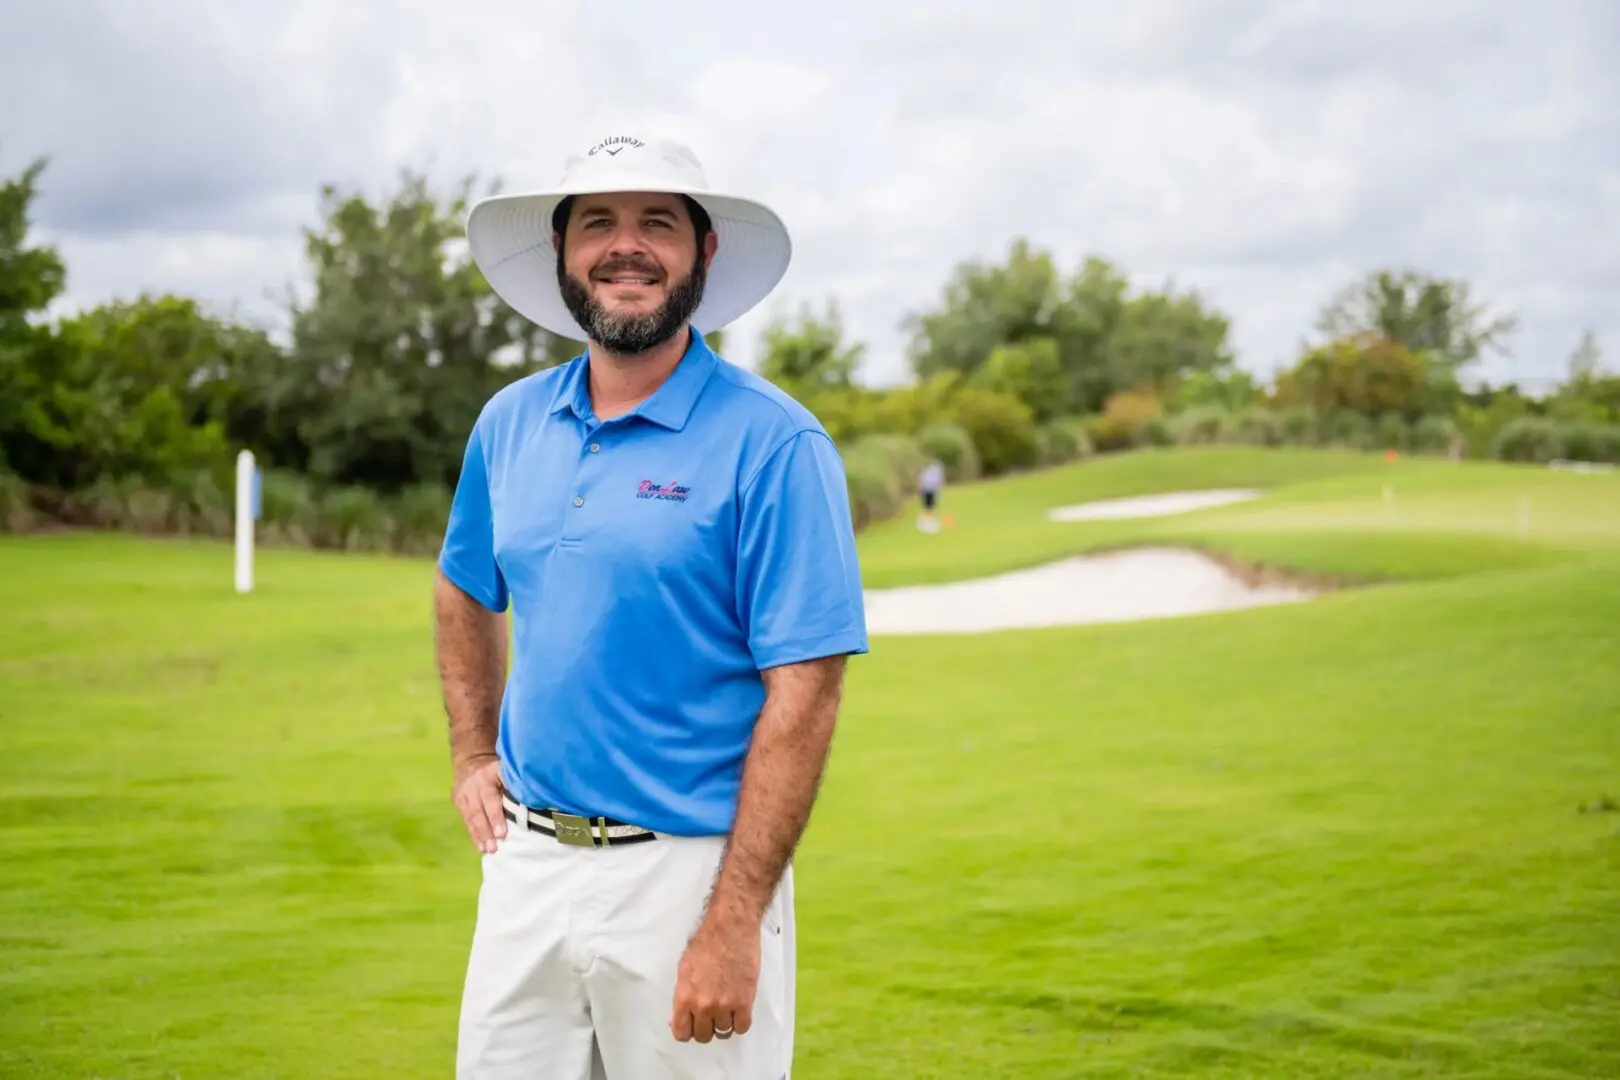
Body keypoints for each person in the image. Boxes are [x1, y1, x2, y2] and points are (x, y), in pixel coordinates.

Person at [433, 131, 869, 1080]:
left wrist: (735, 919)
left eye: (657, 223)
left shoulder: (777, 443)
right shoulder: (508, 422)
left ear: (703, 251)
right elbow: (465, 587)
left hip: (690, 875)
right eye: (598, 222)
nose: (625, 246)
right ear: (562, 253)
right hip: (530, 867)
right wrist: (473, 751)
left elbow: (806, 692)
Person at [916, 457, 945, 532]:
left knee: (930, 506)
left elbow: (938, 482)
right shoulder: (928, 472)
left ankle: (929, 520)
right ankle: (927, 520)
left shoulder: (931, 472)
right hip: (927, 490)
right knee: (928, 506)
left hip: (930, 490)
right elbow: (922, 481)